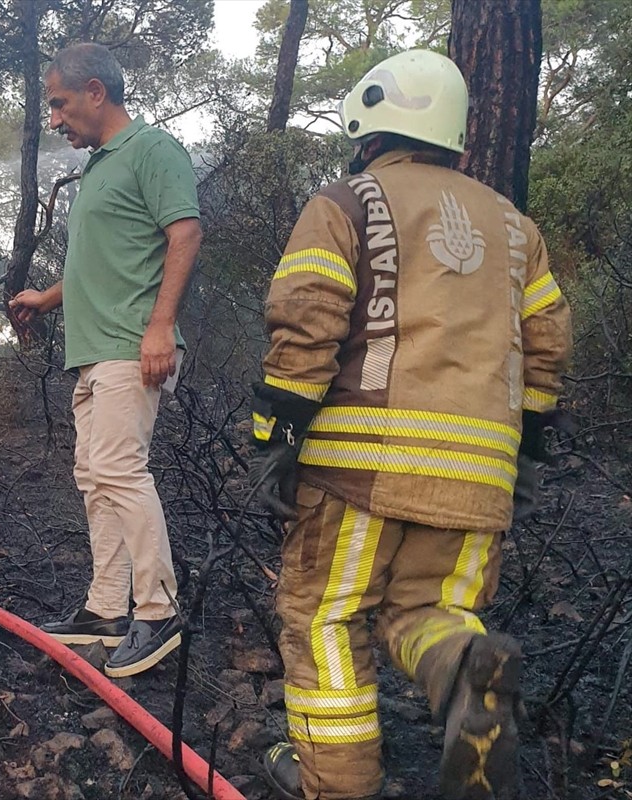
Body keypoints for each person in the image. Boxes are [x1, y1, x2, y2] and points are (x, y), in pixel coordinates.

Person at [250, 50, 572, 800]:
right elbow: (547, 343)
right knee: (430, 610)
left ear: (369, 126)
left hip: (363, 469)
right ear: (456, 137)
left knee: (324, 617)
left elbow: (307, 320)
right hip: (481, 475)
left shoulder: (347, 202)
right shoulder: (518, 230)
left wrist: (278, 439)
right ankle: (467, 668)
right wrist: (525, 455)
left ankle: (337, 784)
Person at [8, 42, 202, 678]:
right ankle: (106, 610)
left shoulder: (152, 149)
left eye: (60, 104)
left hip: (130, 346)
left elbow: (185, 232)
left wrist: (161, 328)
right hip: (92, 353)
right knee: (96, 478)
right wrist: (48, 295)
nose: (56, 119)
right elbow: (100, 263)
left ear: (96, 91)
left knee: (119, 471)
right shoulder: (98, 169)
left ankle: (159, 610)